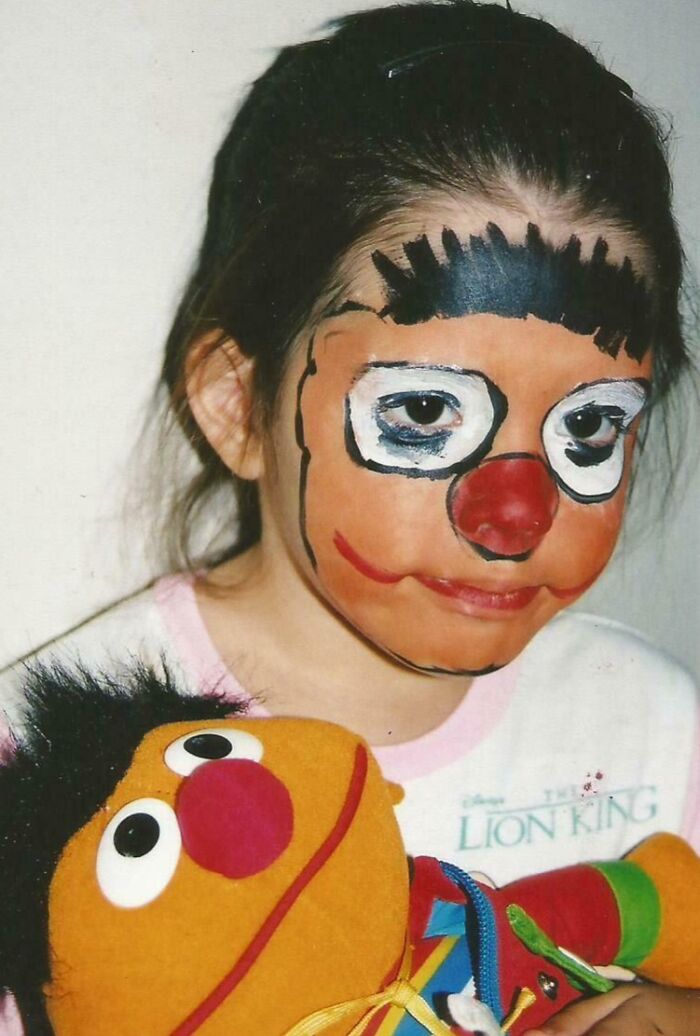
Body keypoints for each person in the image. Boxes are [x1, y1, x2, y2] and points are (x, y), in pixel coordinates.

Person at [2, 2, 699, 1033]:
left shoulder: (659, 733)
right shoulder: (47, 772)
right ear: (237, 406)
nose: (513, 516)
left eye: (590, 429)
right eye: (421, 414)